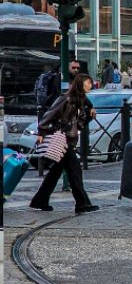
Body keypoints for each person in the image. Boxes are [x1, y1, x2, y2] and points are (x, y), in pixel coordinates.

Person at [28, 74, 98, 214]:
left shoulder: (81, 101)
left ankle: (40, 200)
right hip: (62, 139)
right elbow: (50, 114)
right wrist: (42, 131)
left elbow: (80, 125)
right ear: (80, 84)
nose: (91, 85)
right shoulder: (66, 99)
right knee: (75, 171)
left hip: (70, 139)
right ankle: (82, 203)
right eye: (88, 82)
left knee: (55, 172)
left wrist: (89, 115)